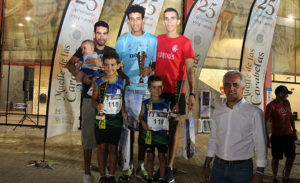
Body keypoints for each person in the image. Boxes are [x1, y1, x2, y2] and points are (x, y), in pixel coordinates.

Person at [66, 21, 114, 183]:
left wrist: (101, 66)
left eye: (104, 33)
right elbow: (69, 64)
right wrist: (81, 76)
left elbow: (116, 72)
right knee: (87, 136)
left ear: (108, 34)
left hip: (106, 100)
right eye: (99, 33)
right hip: (88, 99)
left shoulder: (111, 51)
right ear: (94, 34)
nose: (102, 36)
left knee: (105, 137)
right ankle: (87, 173)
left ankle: (105, 169)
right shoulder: (85, 48)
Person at [115, 4, 158, 182]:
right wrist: (124, 78)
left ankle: (141, 166)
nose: (134, 22)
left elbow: (155, 64)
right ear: (128, 20)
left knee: (144, 130)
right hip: (129, 91)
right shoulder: (122, 41)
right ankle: (127, 167)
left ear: (143, 19)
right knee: (127, 131)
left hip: (146, 92)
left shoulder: (152, 40)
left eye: (137, 18)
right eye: (131, 19)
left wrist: (149, 69)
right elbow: (116, 67)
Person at [202, 71, 267, 183]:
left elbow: (261, 144)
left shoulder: (254, 113)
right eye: (227, 84)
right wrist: (207, 164)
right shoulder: (218, 111)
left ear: (243, 88)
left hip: (242, 169)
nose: (231, 88)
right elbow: (213, 139)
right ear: (223, 88)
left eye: (235, 84)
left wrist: (260, 172)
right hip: (218, 167)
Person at [154, 8, 195, 183]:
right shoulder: (157, 40)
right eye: (166, 18)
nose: (169, 21)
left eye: (173, 18)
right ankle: (161, 166)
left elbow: (191, 70)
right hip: (158, 92)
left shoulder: (185, 42)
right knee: (158, 130)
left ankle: (169, 167)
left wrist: (192, 93)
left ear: (178, 21)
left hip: (177, 94)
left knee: (173, 130)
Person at [91, 50, 127, 183]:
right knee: (101, 148)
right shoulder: (98, 82)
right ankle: (102, 176)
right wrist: (97, 105)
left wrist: (123, 111)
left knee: (113, 148)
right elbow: (93, 100)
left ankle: (111, 175)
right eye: (106, 65)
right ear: (102, 66)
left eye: (112, 65)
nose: (109, 68)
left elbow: (123, 99)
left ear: (118, 65)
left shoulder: (122, 82)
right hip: (101, 121)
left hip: (116, 121)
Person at [139, 75, 171, 183]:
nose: (156, 90)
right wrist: (143, 122)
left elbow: (170, 116)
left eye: (159, 87)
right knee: (149, 157)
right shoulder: (146, 103)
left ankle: (162, 178)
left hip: (162, 136)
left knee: (162, 157)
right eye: (154, 87)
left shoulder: (167, 103)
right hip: (149, 135)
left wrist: (173, 113)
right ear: (149, 89)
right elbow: (141, 115)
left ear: (162, 88)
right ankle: (149, 178)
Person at [265, 85, 297, 183]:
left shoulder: (287, 102)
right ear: (280, 94)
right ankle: (275, 177)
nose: (287, 96)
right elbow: (264, 122)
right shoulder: (271, 106)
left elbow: (290, 117)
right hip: (277, 136)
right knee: (276, 158)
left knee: (291, 156)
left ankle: (286, 177)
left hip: (288, 135)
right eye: (286, 94)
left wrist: (294, 130)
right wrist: (267, 138)